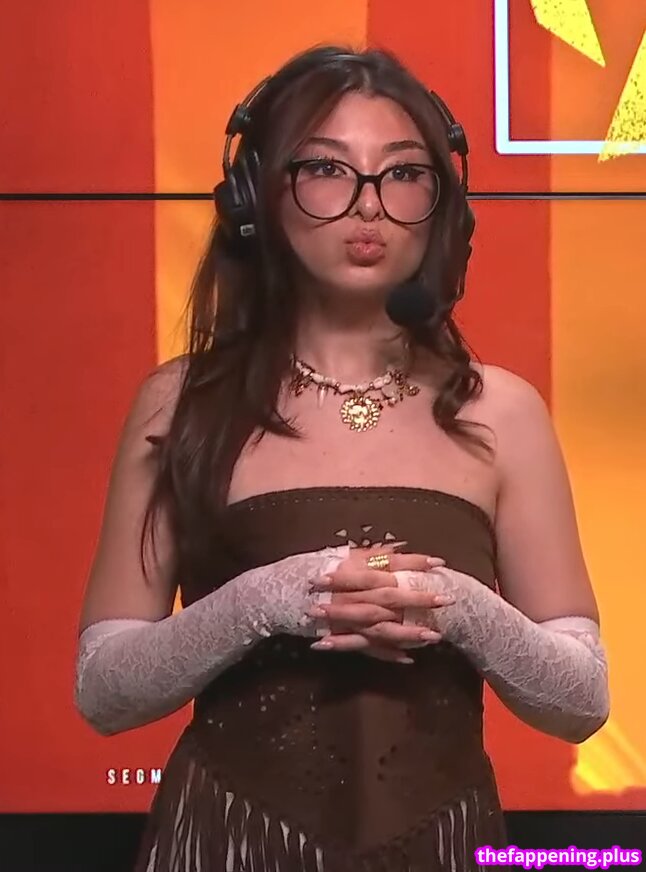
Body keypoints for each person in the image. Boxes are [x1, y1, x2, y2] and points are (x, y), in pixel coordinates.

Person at [74, 45, 610, 872]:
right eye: (327, 169)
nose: (369, 205)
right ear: (257, 199)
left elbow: (582, 702)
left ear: (444, 209)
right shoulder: (179, 402)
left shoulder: (503, 411)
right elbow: (104, 691)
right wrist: (272, 600)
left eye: (404, 174)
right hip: (224, 843)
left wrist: (456, 606)